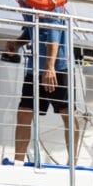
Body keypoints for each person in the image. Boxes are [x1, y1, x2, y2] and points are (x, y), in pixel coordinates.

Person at [6, 13, 80, 163]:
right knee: (24, 112)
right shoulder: (26, 6)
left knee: (67, 113)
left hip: (59, 67)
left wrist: (50, 66)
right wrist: (17, 43)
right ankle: (18, 162)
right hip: (34, 68)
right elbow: (30, 31)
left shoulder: (51, 3)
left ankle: (73, 163)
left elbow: (54, 33)